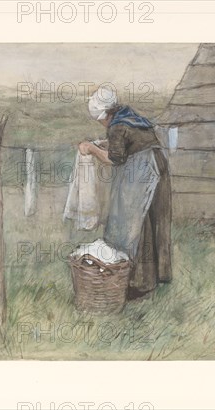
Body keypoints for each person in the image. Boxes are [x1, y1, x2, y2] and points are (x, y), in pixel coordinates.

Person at [78, 86, 172, 299]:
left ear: (105, 115)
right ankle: (157, 276)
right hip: (157, 168)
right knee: (152, 220)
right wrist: (102, 143)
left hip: (141, 172)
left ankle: (138, 282)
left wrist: (92, 149)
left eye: (100, 120)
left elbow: (114, 158)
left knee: (131, 222)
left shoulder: (117, 126)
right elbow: (131, 142)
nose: (102, 124)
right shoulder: (129, 116)